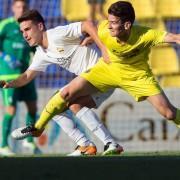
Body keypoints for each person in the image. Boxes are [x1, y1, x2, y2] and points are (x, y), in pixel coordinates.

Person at [9, 1, 180, 148]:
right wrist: (92, 39)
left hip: (136, 76)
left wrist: (101, 47)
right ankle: (76, 142)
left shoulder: (146, 34)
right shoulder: (105, 29)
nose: (109, 25)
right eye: (109, 21)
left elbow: (174, 37)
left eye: (113, 22)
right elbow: (93, 27)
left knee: (169, 113)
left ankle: (95, 143)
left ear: (127, 25)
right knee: (66, 99)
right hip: (105, 72)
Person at [1, 9, 123, 156]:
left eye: (27, 29)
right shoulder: (41, 53)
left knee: (59, 99)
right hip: (91, 81)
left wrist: (103, 48)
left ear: (40, 27)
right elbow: (27, 76)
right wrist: (9, 83)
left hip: (102, 72)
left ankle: (107, 143)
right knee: (61, 108)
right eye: (22, 32)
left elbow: (88, 24)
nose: (25, 35)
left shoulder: (57, 34)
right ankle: (87, 145)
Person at [0, 0, 38, 156]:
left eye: (24, 7)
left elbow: (36, 48)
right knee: (11, 110)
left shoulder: (29, 27)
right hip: (8, 74)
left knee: (33, 107)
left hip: (25, 74)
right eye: (18, 7)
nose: (21, 9)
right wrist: (5, 57)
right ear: (12, 8)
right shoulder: (5, 25)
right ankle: (3, 145)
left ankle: (29, 142)